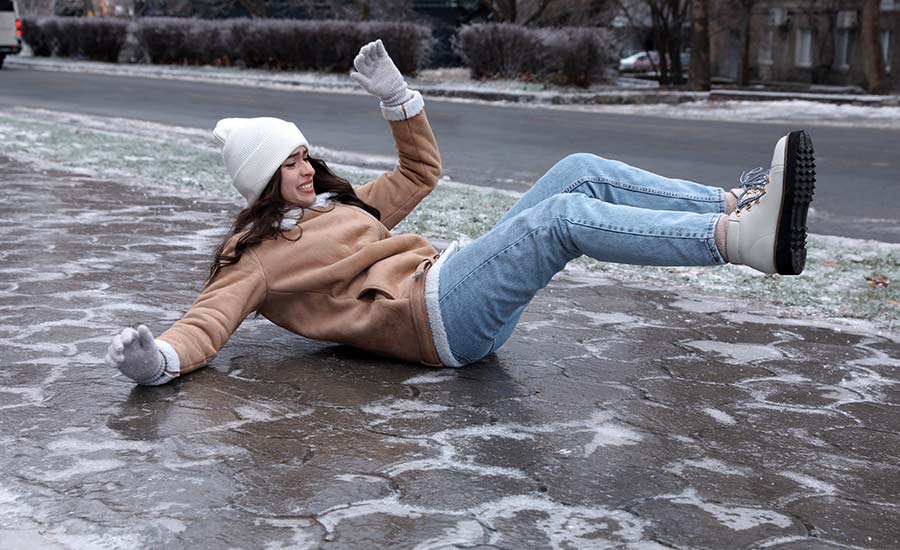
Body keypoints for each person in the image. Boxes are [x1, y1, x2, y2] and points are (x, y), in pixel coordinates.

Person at [104, 40, 816, 385]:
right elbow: (208, 323)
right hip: (435, 316)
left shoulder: (338, 205)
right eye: (288, 163)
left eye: (303, 156)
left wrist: (398, 100)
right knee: (560, 217)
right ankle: (739, 242)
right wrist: (157, 359)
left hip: (451, 282)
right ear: (261, 182)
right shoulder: (255, 260)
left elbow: (422, 171)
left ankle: (741, 204)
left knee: (579, 171)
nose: (304, 168)